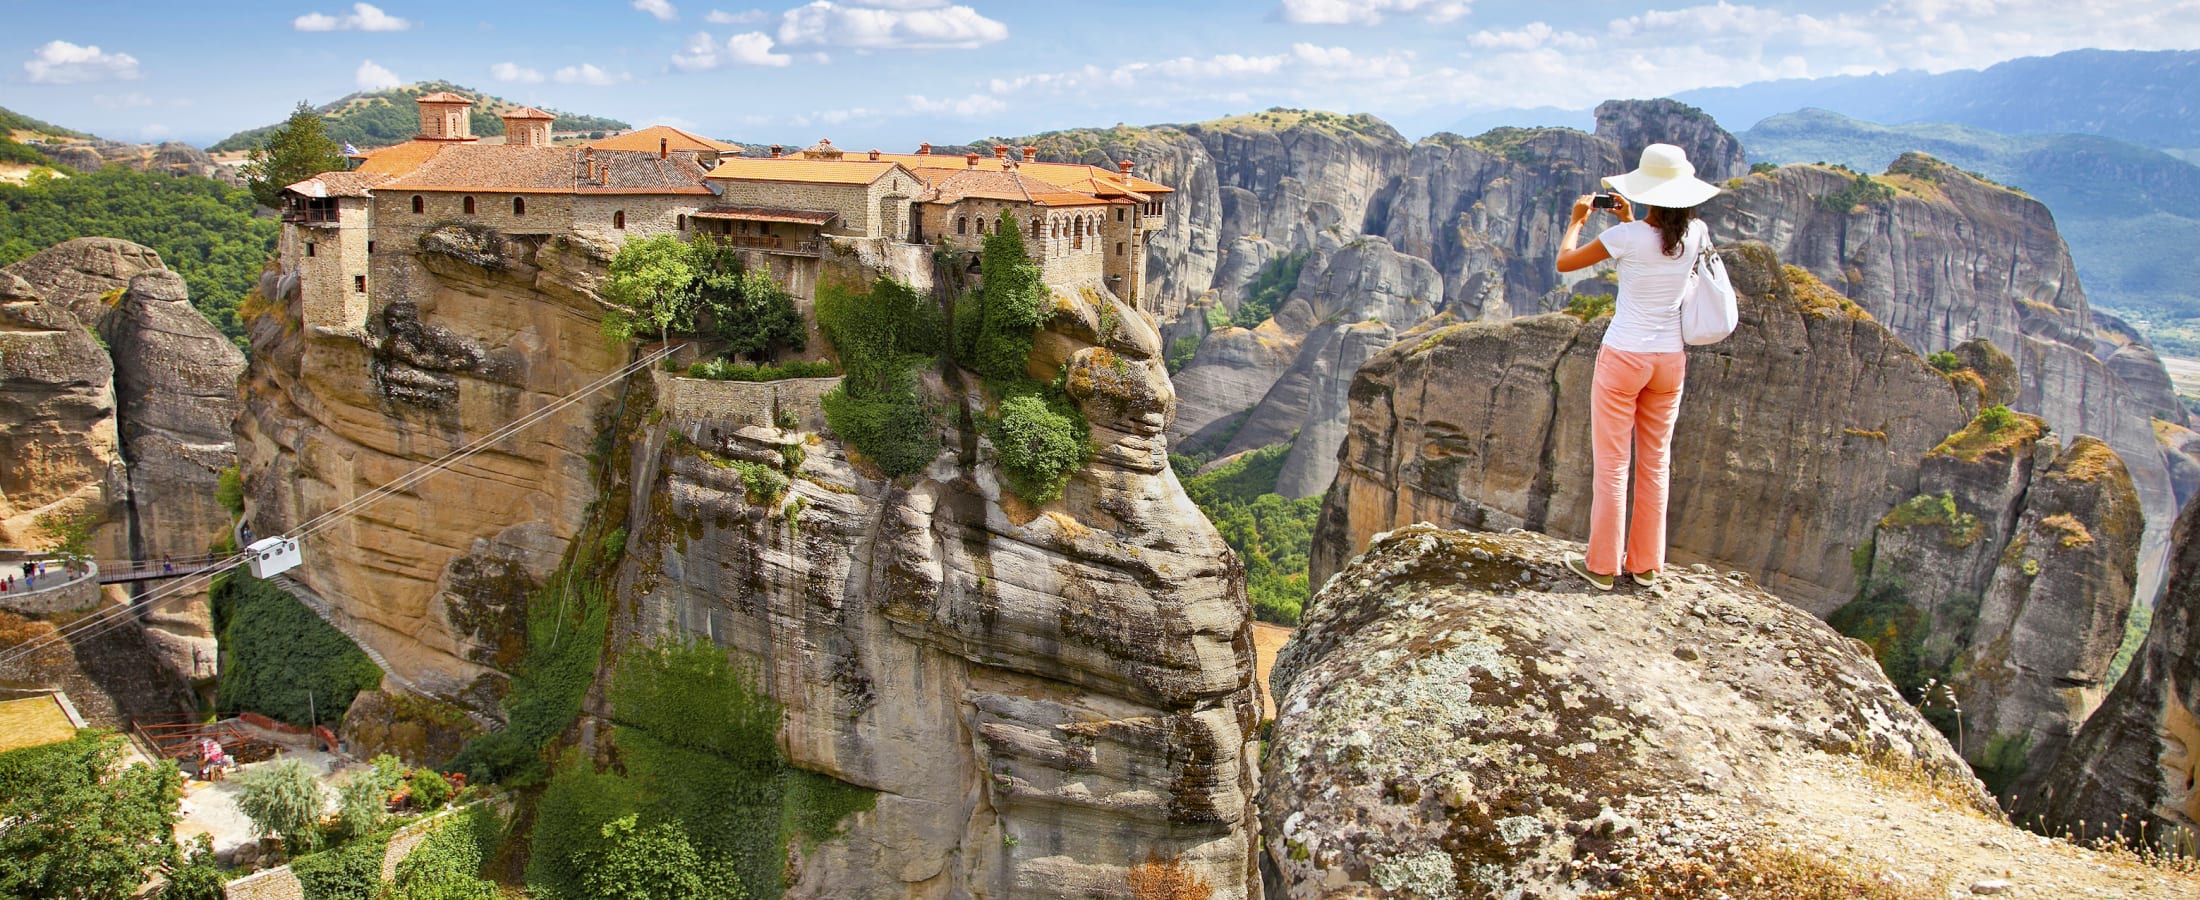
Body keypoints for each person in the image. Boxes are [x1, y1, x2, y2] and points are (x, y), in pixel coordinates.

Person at [1553, 143, 1722, 591]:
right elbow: (1660, 247)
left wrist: (1577, 221)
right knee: (1655, 462)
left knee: (1613, 464)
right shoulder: (1697, 233)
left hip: (1624, 358)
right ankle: (1646, 566)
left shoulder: (1627, 239)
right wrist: (1629, 220)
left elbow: (1565, 262)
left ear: (1646, 191)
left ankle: (1602, 567)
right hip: (1669, 361)